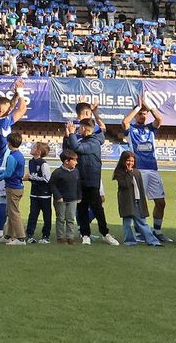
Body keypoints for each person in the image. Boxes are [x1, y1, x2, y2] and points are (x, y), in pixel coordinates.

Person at [63, 105, 114, 244]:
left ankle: (105, 233)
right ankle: (85, 234)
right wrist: (68, 136)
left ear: (85, 129)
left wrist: (73, 134)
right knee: (82, 207)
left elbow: (78, 148)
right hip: (80, 180)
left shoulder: (94, 142)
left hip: (91, 181)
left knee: (98, 208)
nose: (78, 130)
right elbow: (67, 151)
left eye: (80, 128)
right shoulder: (86, 138)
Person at [0, 93, 28, 238]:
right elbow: (22, 109)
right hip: (3, 165)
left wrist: (14, 96)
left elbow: (8, 109)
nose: (9, 107)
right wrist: (21, 92)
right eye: (6, 106)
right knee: (3, 199)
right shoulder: (4, 123)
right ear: (0, 109)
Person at [122, 98, 166, 239]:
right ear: (136, 115)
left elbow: (159, 119)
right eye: (140, 113)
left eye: (144, 113)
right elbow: (124, 122)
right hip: (138, 170)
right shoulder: (131, 130)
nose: (143, 115)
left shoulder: (151, 129)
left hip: (153, 169)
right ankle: (141, 232)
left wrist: (150, 106)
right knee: (138, 202)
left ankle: (157, 231)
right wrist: (137, 107)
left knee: (160, 202)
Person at [112, 151, 161, 246]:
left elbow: (141, 189)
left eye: (132, 161)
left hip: (138, 201)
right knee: (128, 223)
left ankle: (153, 241)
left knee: (143, 223)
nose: (130, 163)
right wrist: (129, 173)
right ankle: (129, 241)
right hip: (126, 201)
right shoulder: (119, 173)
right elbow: (125, 184)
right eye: (128, 160)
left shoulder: (137, 172)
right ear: (123, 161)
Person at [0, 131, 28, 244]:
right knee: (10, 211)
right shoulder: (20, 155)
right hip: (18, 186)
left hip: (13, 187)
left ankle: (21, 238)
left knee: (14, 212)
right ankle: (8, 235)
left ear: (9, 143)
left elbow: (8, 173)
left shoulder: (12, 156)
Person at [49, 150, 81, 244]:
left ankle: (70, 237)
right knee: (61, 218)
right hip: (61, 200)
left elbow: (78, 184)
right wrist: (58, 196)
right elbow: (52, 185)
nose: (76, 162)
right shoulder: (57, 172)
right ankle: (60, 237)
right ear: (66, 161)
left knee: (70, 218)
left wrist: (79, 196)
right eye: (74, 160)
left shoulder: (76, 172)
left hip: (73, 199)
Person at [24, 142, 52, 244]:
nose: (31, 148)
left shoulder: (43, 164)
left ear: (38, 152)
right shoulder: (31, 162)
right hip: (34, 193)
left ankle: (46, 236)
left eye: (34, 147)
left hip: (44, 194)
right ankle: (30, 235)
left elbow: (47, 179)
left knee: (46, 216)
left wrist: (31, 177)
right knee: (33, 215)